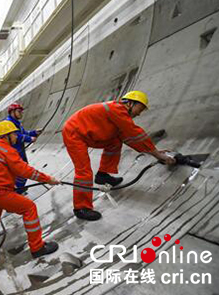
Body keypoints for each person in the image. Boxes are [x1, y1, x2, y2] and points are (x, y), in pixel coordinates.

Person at [62, 91, 176, 221]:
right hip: (74, 134)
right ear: (131, 103)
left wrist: (155, 153)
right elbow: (135, 133)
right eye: (140, 109)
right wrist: (156, 154)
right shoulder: (117, 109)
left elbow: (130, 138)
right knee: (84, 171)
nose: (139, 113)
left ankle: (102, 175)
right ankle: (81, 208)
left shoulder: (118, 114)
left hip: (88, 133)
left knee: (115, 142)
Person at [0, 120, 60, 270]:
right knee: (29, 208)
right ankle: (37, 248)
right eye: (14, 134)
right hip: (0, 192)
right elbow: (25, 171)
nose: (16, 136)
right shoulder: (8, 151)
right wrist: (48, 179)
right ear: (7, 136)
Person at [6, 103, 43, 194]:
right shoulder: (8, 123)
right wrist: (29, 139)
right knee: (23, 171)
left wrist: (34, 132)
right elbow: (16, 136)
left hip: (19, 151)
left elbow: (23, 132)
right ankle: (17, 191)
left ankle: (18, 189)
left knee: (22, 171)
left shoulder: (16, 123)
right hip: (14, 152)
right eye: (19, 111)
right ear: (12, 112)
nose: (21, 114)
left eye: (21, 112)